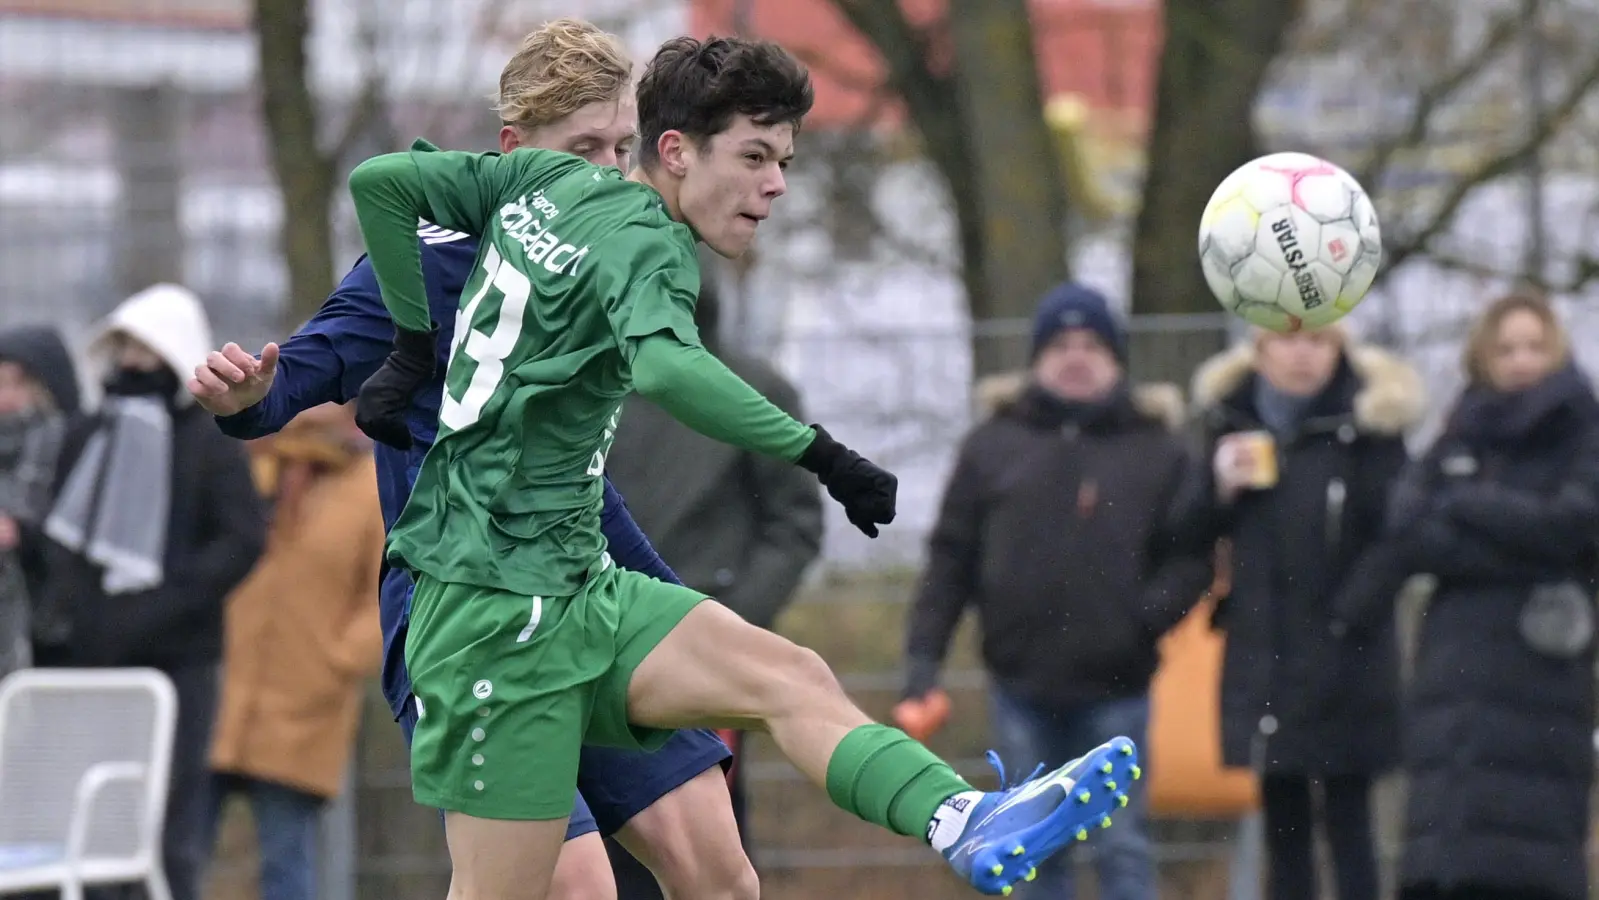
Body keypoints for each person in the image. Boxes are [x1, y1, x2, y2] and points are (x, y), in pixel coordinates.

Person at [344, 33, 1139, 900]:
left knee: (785, 682)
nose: (775, 185)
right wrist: (819, 452)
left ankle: (961, 818)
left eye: (785, 160)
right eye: (753, 156)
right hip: (489, 617)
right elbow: (666, 367)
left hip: (577, 588)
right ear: (676, 152)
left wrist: (413, 344)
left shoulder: (548, 180)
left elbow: (382, 184)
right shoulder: (645, 240)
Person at [187, 20, 753, 900]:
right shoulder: (425, 264)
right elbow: (297, 375)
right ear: (513, 149)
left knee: (721, 876)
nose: (604, 173)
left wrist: (687, 628)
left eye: (618, 148)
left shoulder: (617, 266)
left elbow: (586, 493)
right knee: (574, 892)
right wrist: (243, 398)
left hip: (581, 595)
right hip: (462, 617)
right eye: (580, 149)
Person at [901, 283, 1212, 900]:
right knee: (1031, 852)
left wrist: (1142, 622)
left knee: (1123, 847)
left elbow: (1192, 558)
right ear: (1036, 357)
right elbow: (949, 561)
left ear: (1117, 359)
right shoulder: (992, 444)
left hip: (1119, 692)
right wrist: (922, 664)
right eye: (1061, 343)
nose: (1076, 356)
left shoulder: (1160, 448)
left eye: (1092, 344)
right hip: (1021, 690)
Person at [30, 283, 267, 900]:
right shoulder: (88, 436)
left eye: (146, 349)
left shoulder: (210, 443)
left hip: (177, 665)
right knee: (85, 822)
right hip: (89, 664)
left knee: (167, 826)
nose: (132, 362)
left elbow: (241, 540)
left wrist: (166, 602)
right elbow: (59, 535)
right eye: (124, 348)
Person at [1176, 324, 1424, 900]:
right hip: (1268, 658)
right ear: (1259, 351)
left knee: (1351, 823)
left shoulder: (1370, 429)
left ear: (1340, 349)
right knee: (1283, 828)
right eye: (1286, 340)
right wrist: (1218, 489)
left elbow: (1400, 535)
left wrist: (1348, 617)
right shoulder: (1229, 426)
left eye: (1318, 341)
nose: (1302, 354)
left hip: (1349, 661)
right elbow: (1182, 531)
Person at [604, 270, 824, 883]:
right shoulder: (590, 389)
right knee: (591, 838)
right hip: (591, 643)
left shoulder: (754, 393)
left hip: (702, 647)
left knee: (708, 831)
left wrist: (729, 628)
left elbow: (794, 523)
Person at [1383, 293, 1598, 900]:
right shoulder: (1456, 432)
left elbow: (1570, 525)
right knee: (1447, 851)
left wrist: (1469, 503)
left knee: (1528, 859)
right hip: (1452, 668)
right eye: (1506, 348)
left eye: (1535, 345)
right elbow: (1409, 526)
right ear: (1483, 355)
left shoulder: (1582, 433)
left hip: (1541, 673)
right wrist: (1511, 543)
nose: (1521, 360)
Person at [204, 401, 383, 900]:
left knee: (289, 864)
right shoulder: (253, 466)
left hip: (304, 706)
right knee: (180, 853)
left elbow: (386, 599)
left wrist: (337, 661)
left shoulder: (371, 487)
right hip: (222, 693)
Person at [0, 326, 80, 680]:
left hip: (52, 631)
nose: (7, 398)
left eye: (18, 385)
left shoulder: (73, 447)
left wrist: (25, 532)